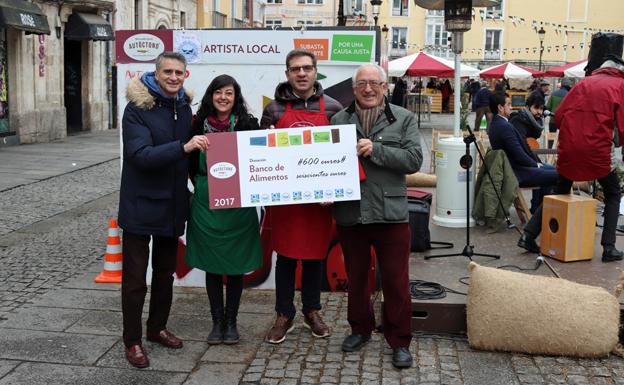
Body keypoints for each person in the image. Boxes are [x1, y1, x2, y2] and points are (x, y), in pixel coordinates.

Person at [118, 51, 209, 368]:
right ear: (156, 75)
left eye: (178, 72)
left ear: (185, 76)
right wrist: (183, 148)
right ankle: (132, 341)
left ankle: (156, 328)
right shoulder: (137, 109)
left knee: (165, 275)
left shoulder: (183, 107)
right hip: (141, 205)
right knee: (134, 281)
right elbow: (139, 155)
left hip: (172, 205)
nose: (173, 77)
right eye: (167, 72)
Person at [330, 63, 423, 369]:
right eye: (361, 84)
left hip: (391, 214)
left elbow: (413, 160)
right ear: (353, 89)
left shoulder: (404, 118)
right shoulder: (338, 120)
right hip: (351, 213)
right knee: (356, 279)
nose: (368, 89)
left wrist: (377, 151)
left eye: (374, 83)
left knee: (396, 281)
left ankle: (399, 341)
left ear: (385, 86)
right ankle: (360, 329)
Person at [260, 48, 343, 344]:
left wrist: (333, 189)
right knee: (285, 257)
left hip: (318, 201)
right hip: (286, 201)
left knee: (314, 257)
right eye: (296, 69)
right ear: (287, 73)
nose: (302, 73)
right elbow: (262, 153)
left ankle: (312, 311)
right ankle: (284, 313)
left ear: (315, 71)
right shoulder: (274, 109)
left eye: (307, 68)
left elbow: (340, 155)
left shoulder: (333, 107)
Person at [518, 56, 624, 262]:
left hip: (570, 148)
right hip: (597, 150)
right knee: (612, 194)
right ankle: (609, 247)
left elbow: (558, 118)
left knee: (560, 191)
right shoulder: (620, 86)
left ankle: (528, 234)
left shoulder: (582, 83)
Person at [185, 75, 263, 346]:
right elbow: (188, 162)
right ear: (211, 95)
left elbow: (260, 158)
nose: (223, 98)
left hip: (238, 207)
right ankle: (217, 322)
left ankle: (232, 322)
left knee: (236, 266)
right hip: (206, 205)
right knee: (213, 266)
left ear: (235, 97)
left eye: (229, 93)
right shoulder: (196, 124)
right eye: (218, 92)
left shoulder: (247, 124)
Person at [491, 92, 558, 213]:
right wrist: (535, 164)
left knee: (553, 171)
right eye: (508, 104)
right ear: (500, 108)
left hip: (516, 168)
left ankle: (539, 211)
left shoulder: (498, 124)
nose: (511, 107)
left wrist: (535, 163)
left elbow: (519, 149)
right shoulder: (504, 126)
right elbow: (518, 154)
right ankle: (540, 213)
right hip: (517, 172)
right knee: (558, 175)